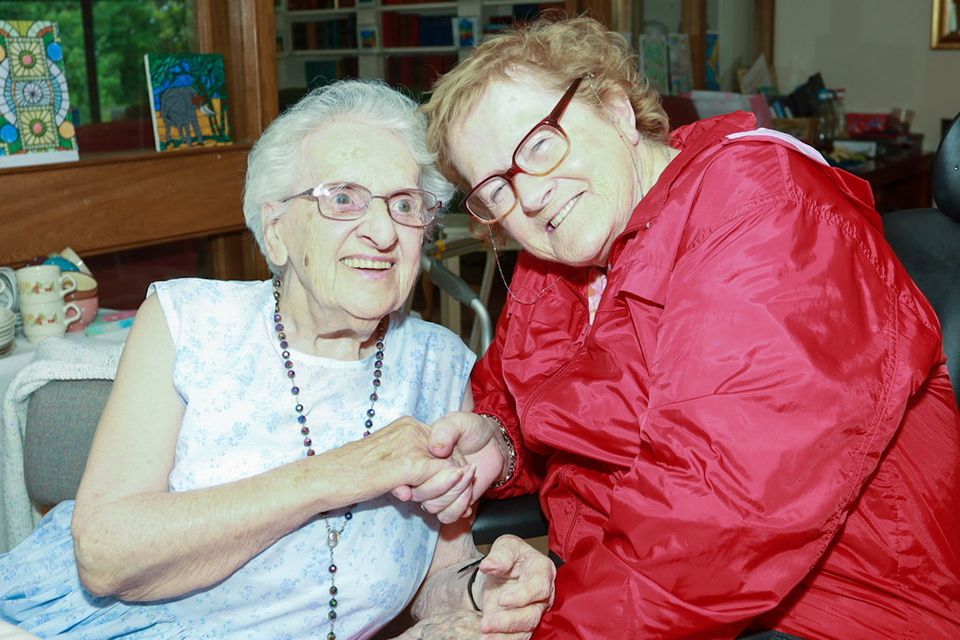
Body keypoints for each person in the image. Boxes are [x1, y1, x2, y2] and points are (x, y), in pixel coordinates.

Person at [417, 15, 960, 639]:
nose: (531, 197)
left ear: (616, 110)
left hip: (837, 609)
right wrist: (499, 444)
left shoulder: (767, 214)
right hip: (628, 596)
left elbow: (715, 518)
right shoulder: (558, 261)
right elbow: (530, 402)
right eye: (496, 189)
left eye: (540, 144)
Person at [0, 80, 555, 640]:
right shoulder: (186, 322)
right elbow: (105, 556)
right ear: (276, 230)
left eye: (405, 205)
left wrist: (480, 590)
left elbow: (436, 575)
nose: (383, 231)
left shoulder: (440, 365)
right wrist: (343, 472)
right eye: (343, 198)